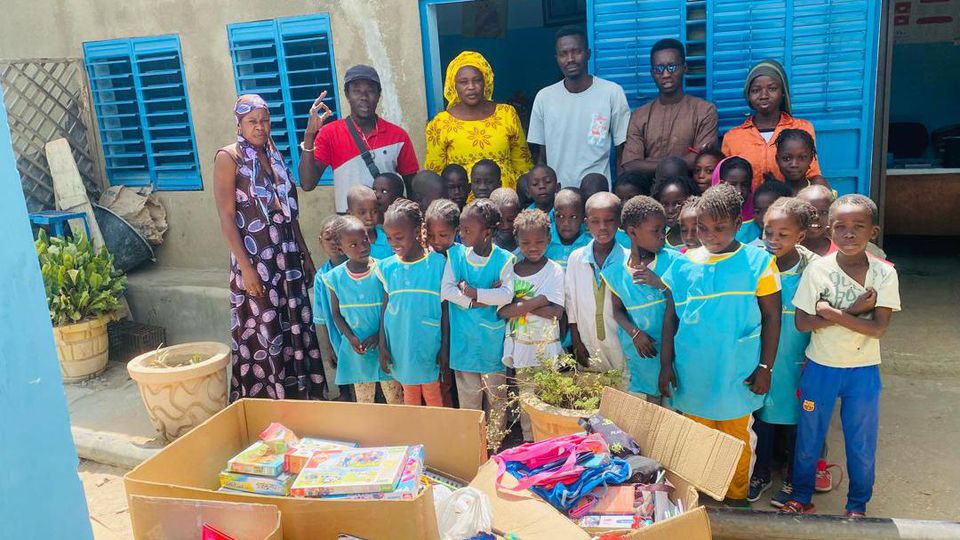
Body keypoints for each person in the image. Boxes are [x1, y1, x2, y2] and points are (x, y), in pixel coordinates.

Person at [660, 183, 782, 505]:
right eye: (702, 227)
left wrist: (765, 368)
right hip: (693, 371)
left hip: (736, 369)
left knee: (735, 440)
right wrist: (665, 365)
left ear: (738, 226)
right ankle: (697, 496)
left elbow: (772, 317)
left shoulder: (758, 263)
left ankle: (735, 498)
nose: (710, 234)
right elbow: (671, 318)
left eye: (720, 227)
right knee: (696, 438)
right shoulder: (682, 263)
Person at [783, 195, 901, 517]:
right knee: (809, 437)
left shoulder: (884, 274)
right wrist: (853, 313)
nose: (849, 234)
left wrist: (833, 314)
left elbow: (878, 329)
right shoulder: (817, 271)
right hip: (821, 367)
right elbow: (803, 322)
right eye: (840, 227)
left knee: (860, 442)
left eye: (858, 227)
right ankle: (802, 494)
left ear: (872, 232)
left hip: (862, 371)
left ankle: (857, 504)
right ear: (830, 230)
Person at [213, 94, 322, 401]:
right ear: (239, 123)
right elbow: (226, 215)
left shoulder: (274, 156)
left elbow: (289, 211)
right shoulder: (229, 157)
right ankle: (267, 401)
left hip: (286, 257)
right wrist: (246, 268)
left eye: (264, 120)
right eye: (252, 121)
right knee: (265, 328)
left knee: (294, 325)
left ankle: (300, 397)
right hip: (256, 258)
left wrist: (305, 254)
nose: (259, 127)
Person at [747, 197, 819, 504]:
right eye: (768, 232)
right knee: (760, 415)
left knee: (795, 419)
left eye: (783, 235)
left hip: (798, 355)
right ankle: (760, 472)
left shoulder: (814, 268)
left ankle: (793, 477)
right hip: (761, 354)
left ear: (800, 237)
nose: (773, 241)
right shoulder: (753, 258)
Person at [299, 65, 419, 212]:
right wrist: (310, 135)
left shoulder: (398, 136)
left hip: (389, 227)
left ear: (379, 94)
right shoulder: (329, 134)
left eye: (370, 90)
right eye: (356, 90)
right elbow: (307, 184)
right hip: (349, 228)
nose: (364, 97)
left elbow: (412, 188)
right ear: (347, 94)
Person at [528, 26, 631, 187]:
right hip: (559, 196)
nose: (570, 59)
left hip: (598, 196)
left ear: (588, 54)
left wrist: (620, 192)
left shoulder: (611, 92)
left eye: (576, 51)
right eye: (563, 54)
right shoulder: (544, 97)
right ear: (557, 58)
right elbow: (542, 157)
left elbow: (621, 153)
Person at [442, 200, 515, 424]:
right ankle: (474, 442)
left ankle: (495, 442)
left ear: (486, 232)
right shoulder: (456, 256)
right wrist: (475, 302)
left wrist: (474, 292)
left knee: (496, 397)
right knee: (468, 398)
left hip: (491, 344)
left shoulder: (504, 259)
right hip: (464, 343)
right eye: (460, 229)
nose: (461, 235)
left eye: (467, 230)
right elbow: (446, 290)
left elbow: (507, 294)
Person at [603, 195, 680, 400]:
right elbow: (617, 310)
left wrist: (660, 284)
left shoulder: (674, 261)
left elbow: (682, 301)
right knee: (647, 408)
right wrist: (634, 333)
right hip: (641, 353)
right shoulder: (616, 272)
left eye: (663, 230)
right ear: (632, 232)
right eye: (655, 231)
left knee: (674, 411)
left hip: (674, 351)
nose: (662, 236)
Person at [498, 209, 566, 441]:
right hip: (522, 349)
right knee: (526, 400)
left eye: (539, 241)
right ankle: (530, 442)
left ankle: (548, 442)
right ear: (517, 241)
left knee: (548, 399)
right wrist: (539, 300)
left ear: (549, 239)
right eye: (526, 242)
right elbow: (503, 311)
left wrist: (521, 304)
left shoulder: (555, 271)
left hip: (547, 349)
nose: (533, 247)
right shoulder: (510, 270)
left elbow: (556, 313)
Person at [425, 51, 533, 191]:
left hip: (506, 201)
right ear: (454, 86)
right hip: (463, 205)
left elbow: (522, 164)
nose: (471, 87)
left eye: (477, 80)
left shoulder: (506, 114)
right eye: (463, 82)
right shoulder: (441, 123)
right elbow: (435, 175)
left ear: (486, 82)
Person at [326, 216, 404, 405]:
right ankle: (367, 435)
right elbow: (335, 314)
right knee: (364, 401)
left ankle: (400, 433)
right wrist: (350, 337)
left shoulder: (383, 269)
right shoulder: (335, 278)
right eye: (353, 244)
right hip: (357, 349)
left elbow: (392, 308)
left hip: (385, 346)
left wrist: (379, 336)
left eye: (364, 241)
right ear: (340, 248)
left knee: (395, 398)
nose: (362, 247)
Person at [376, 199, 447, 407]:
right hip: (400, 343)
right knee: (409, 391)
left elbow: (445, 309)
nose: (393, 243)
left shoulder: (437, 264)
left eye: (399, 237)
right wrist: (382, 344)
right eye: (389, 238)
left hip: (428, 343)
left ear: (417, 231)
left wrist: (444, 347)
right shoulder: (387, 267)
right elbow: (385, 308)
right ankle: (414, 435)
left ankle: (438, 434)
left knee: (432, 391)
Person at [621, 39, 718, 175]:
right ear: (652, 73)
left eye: (672, 67)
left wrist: (649, 161)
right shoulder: (639, 116)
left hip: (689, 190)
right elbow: (630, 165)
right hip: (648, 190)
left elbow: (700, 161)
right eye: (659, 69)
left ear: (684, 68)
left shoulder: (704, 111)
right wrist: (679, 162)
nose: (666, 74)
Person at [722, 59, 821, 189]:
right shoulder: (733, 137)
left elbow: (812, 174)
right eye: (756, 90)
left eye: (772, 88)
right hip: (750, 208)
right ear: (748, 96)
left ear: (783, 92)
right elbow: (726, 183)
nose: (764, 95)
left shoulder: (801, 128)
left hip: (791, 205)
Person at [566, 192, 627, 376]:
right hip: (587, 341)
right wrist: (576, 341)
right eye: (595, 221)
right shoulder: (576, 258)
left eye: (609, 220)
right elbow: (571, 303)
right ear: (586, 223)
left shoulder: (628, 260)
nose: (602, 227)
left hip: (621, 346)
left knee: (624, 393)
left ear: (619, 222)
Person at [424, 198, 461, 408]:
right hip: (435, 331)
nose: (436, 240)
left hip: (460, 329)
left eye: (443, 235)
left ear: (456, 231)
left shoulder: (461, 256)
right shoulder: (425, 259)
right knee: (441, 382)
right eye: (430, 235)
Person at [313, 215, 347, 400]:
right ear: (321, 242)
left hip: (363, 339)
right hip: (338, 341)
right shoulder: (321, 277)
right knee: (346, 382)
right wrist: (328, 348)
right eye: (328, 238)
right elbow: (321, 318)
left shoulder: (360, 269)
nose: (334, 243)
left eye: (338, 237)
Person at [712, 157, 759, 242]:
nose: (739, 191)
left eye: (744, 185)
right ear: (721, 184)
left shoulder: (758, 218)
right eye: (733, 184)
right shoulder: (707, 218)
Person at [772, 129, 829, 194]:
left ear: (811, 159)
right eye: (786, 158)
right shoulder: (773, 195)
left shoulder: (819, 190)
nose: (794, 164)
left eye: (802, 158)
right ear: (777, 159)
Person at [546, 188, 590, 268]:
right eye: (560, 216)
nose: (566, 223)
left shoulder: (590, 245)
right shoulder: (545, 241)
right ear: (553, 216)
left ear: (583, 218)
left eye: (573, 217)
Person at [346, 186, 393, 260]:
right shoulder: (347, 242)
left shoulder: (389, 238)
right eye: (362, 213)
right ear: (350, 214)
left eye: (374, 212)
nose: (369, 217)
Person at [652, 175, 698, 251]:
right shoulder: (658, 237)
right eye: (665, 204)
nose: (670, 210)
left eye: (677, 204)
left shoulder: (699, 240)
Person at [749, 180, 794, 245]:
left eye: (769, 210)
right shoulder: (751, 249)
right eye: (757, 212)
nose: (763, 216)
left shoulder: (797, 245)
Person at [797, 185, 835, 256]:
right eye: (809, 211)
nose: (816, 217)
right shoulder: (787, 249)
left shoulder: (840, 252)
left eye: (824, 212)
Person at [490, 187, 521, 254]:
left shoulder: (528, 246)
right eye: (499, 220)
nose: (505, 226)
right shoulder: (486, 249)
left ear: (519, 214)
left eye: (510, 220)